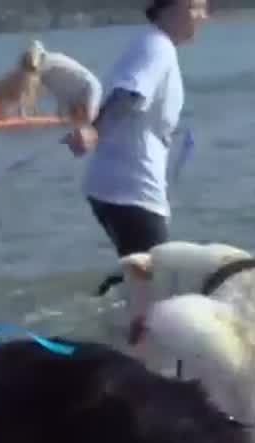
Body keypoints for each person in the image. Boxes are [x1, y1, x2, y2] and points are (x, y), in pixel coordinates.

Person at [65, 0, 208, 257]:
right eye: (194, 7)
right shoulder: (157, 47)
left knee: (139, 273)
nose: (203, 16)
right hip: (131, 187)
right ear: (166, 9)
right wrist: (94, 131)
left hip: (118, 185)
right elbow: (129, 94)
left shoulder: (151, 44)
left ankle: (109, 295)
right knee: (152, 276)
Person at [29, 40, 104, 126]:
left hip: (88, 89)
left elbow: (28, 83)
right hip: (76, 97)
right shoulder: (46, 67)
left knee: (87, 119)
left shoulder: (50, 59)